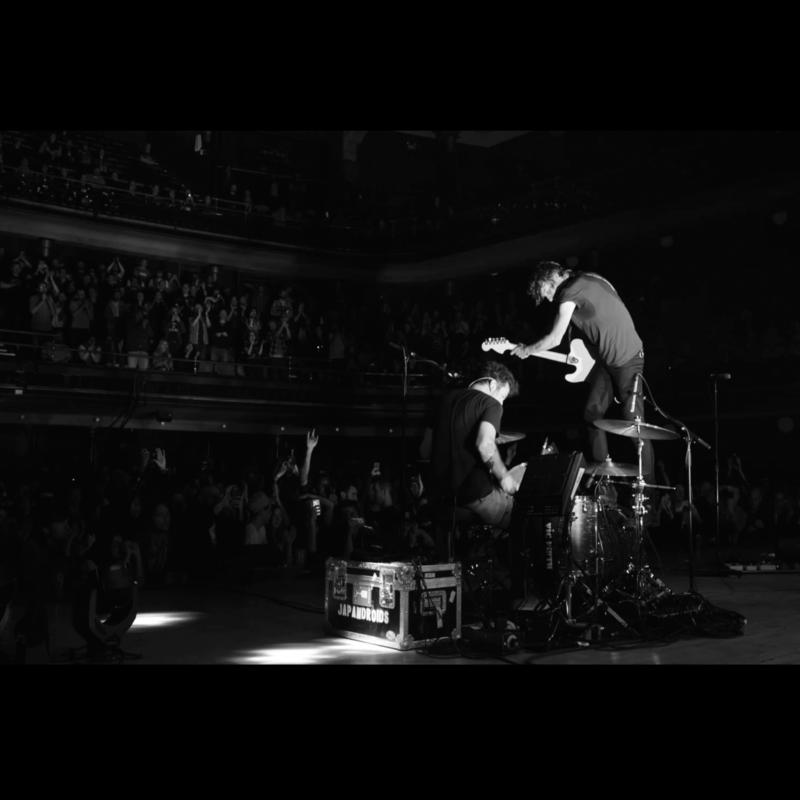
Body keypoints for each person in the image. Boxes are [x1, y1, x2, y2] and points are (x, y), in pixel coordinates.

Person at [510, 260, 653, 481]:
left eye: (545, 290)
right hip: (606, 361)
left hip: (628, 359)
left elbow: (555, 338)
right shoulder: (591, 277)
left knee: (634, 422)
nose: (548, 298)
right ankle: (605, 477)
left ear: (552, 279)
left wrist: (527, 349)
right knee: (592, 414)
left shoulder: (568, 291)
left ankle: (649, 489)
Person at [431, 360, 520, 531]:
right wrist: (504, 477)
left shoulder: (443, 401)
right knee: (520, 516)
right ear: (492, 384)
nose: (501, 403)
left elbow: (425, 448)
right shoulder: (490, 404)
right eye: (502, 396)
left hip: (441, 497)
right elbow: (485, 445)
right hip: (474, 494)